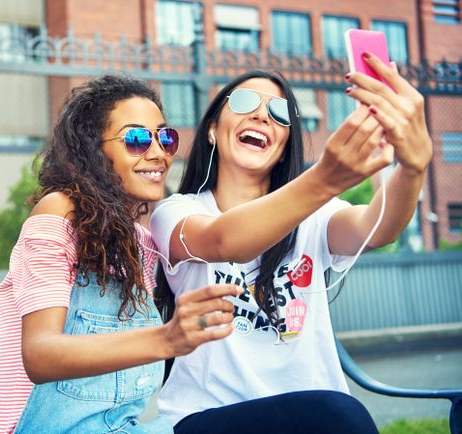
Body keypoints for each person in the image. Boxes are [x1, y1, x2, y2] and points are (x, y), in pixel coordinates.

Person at [150, 60, 431, 433]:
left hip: (313, 414)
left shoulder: (317, 214)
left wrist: (413, 167)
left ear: (283, 147)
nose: (262, 116)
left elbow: (377, 228)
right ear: (214, 130)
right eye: (245, 101)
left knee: (335, 413)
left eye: (280, 113)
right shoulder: (176, 212)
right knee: (340, 415)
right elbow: (225, 241)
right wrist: (325, 178)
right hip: (208, 416)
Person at [0, 75, 243, 434]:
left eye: (165, 137)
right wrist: (167, 338)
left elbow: (225, 238)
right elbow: (40, 354)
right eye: (137, 139)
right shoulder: (59, 212)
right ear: (93, 150)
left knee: (320, 412)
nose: (158, 153)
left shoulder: (141, 242)